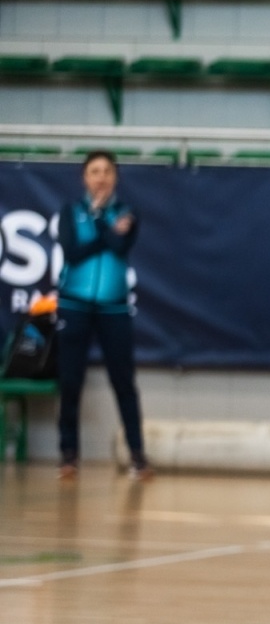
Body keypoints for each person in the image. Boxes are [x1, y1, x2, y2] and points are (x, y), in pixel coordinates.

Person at [54, 151, 149, 481]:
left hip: (114, 309)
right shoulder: (70, 211)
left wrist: (102, 230)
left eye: (107, 171)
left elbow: (121, 247)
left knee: (123, 381)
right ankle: (68, 454)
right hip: (74, 305)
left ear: (115, 177)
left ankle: (138, 455)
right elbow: (72, 253)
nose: (101, 177)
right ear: (85, 177)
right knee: (70, 380)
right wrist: (105, 228)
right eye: (94, 171)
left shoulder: (128, 212)